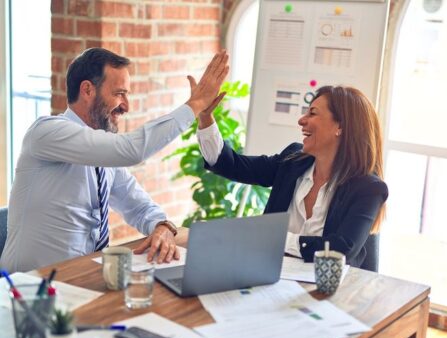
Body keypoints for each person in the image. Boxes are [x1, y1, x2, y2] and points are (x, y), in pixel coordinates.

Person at [0, 47, 228, 272]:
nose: (126, 106)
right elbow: (131, 150)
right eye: (119, 93)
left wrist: (162, 225)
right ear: (88, 90)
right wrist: (196, 104)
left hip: (81, 279)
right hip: (27, 288)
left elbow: (137, 205)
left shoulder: (102, 154)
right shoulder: (47, 132)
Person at [196, 85, 388, 268]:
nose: (301, 120)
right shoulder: (293, 161)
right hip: (270, 277)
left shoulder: (368, 188)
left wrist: (275, 238)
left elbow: (341, 249)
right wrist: (205, 117)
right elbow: (232, 165)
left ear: (341, 127)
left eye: (312, 113)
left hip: (329, 292)